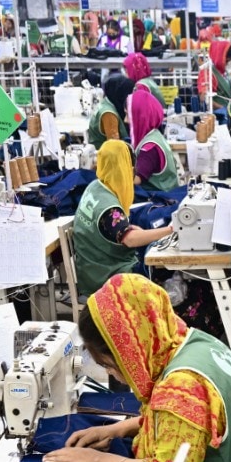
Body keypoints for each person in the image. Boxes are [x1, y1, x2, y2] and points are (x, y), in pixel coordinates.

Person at [44, 275, 231, 462]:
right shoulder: (197, 342)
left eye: (108, 365)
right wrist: (117, 430)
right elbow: (193, 426)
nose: (111, 372)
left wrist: (97, 460)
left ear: (128, 349)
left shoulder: (182, 386)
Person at [72, 140, 168, 300]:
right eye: (128, 167)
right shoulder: (108, 208)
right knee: (171, 272)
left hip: (92, 270)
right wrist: (170, 231)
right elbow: (129, 239)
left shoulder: (95, 186)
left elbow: (115, 229)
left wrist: (133, 229)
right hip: (107, 278)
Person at [129, 85, 180, 193]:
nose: (126, 120)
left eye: (128, 116)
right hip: (168, 192)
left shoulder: (148, 148)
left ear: (140, 118)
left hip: (157, 199)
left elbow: (136, 179)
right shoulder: (155, 134)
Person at [88, 72, 133, 148]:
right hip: (105, 156)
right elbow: (115, 146)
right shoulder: (109, 114)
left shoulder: (107, 102)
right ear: (120, 93)